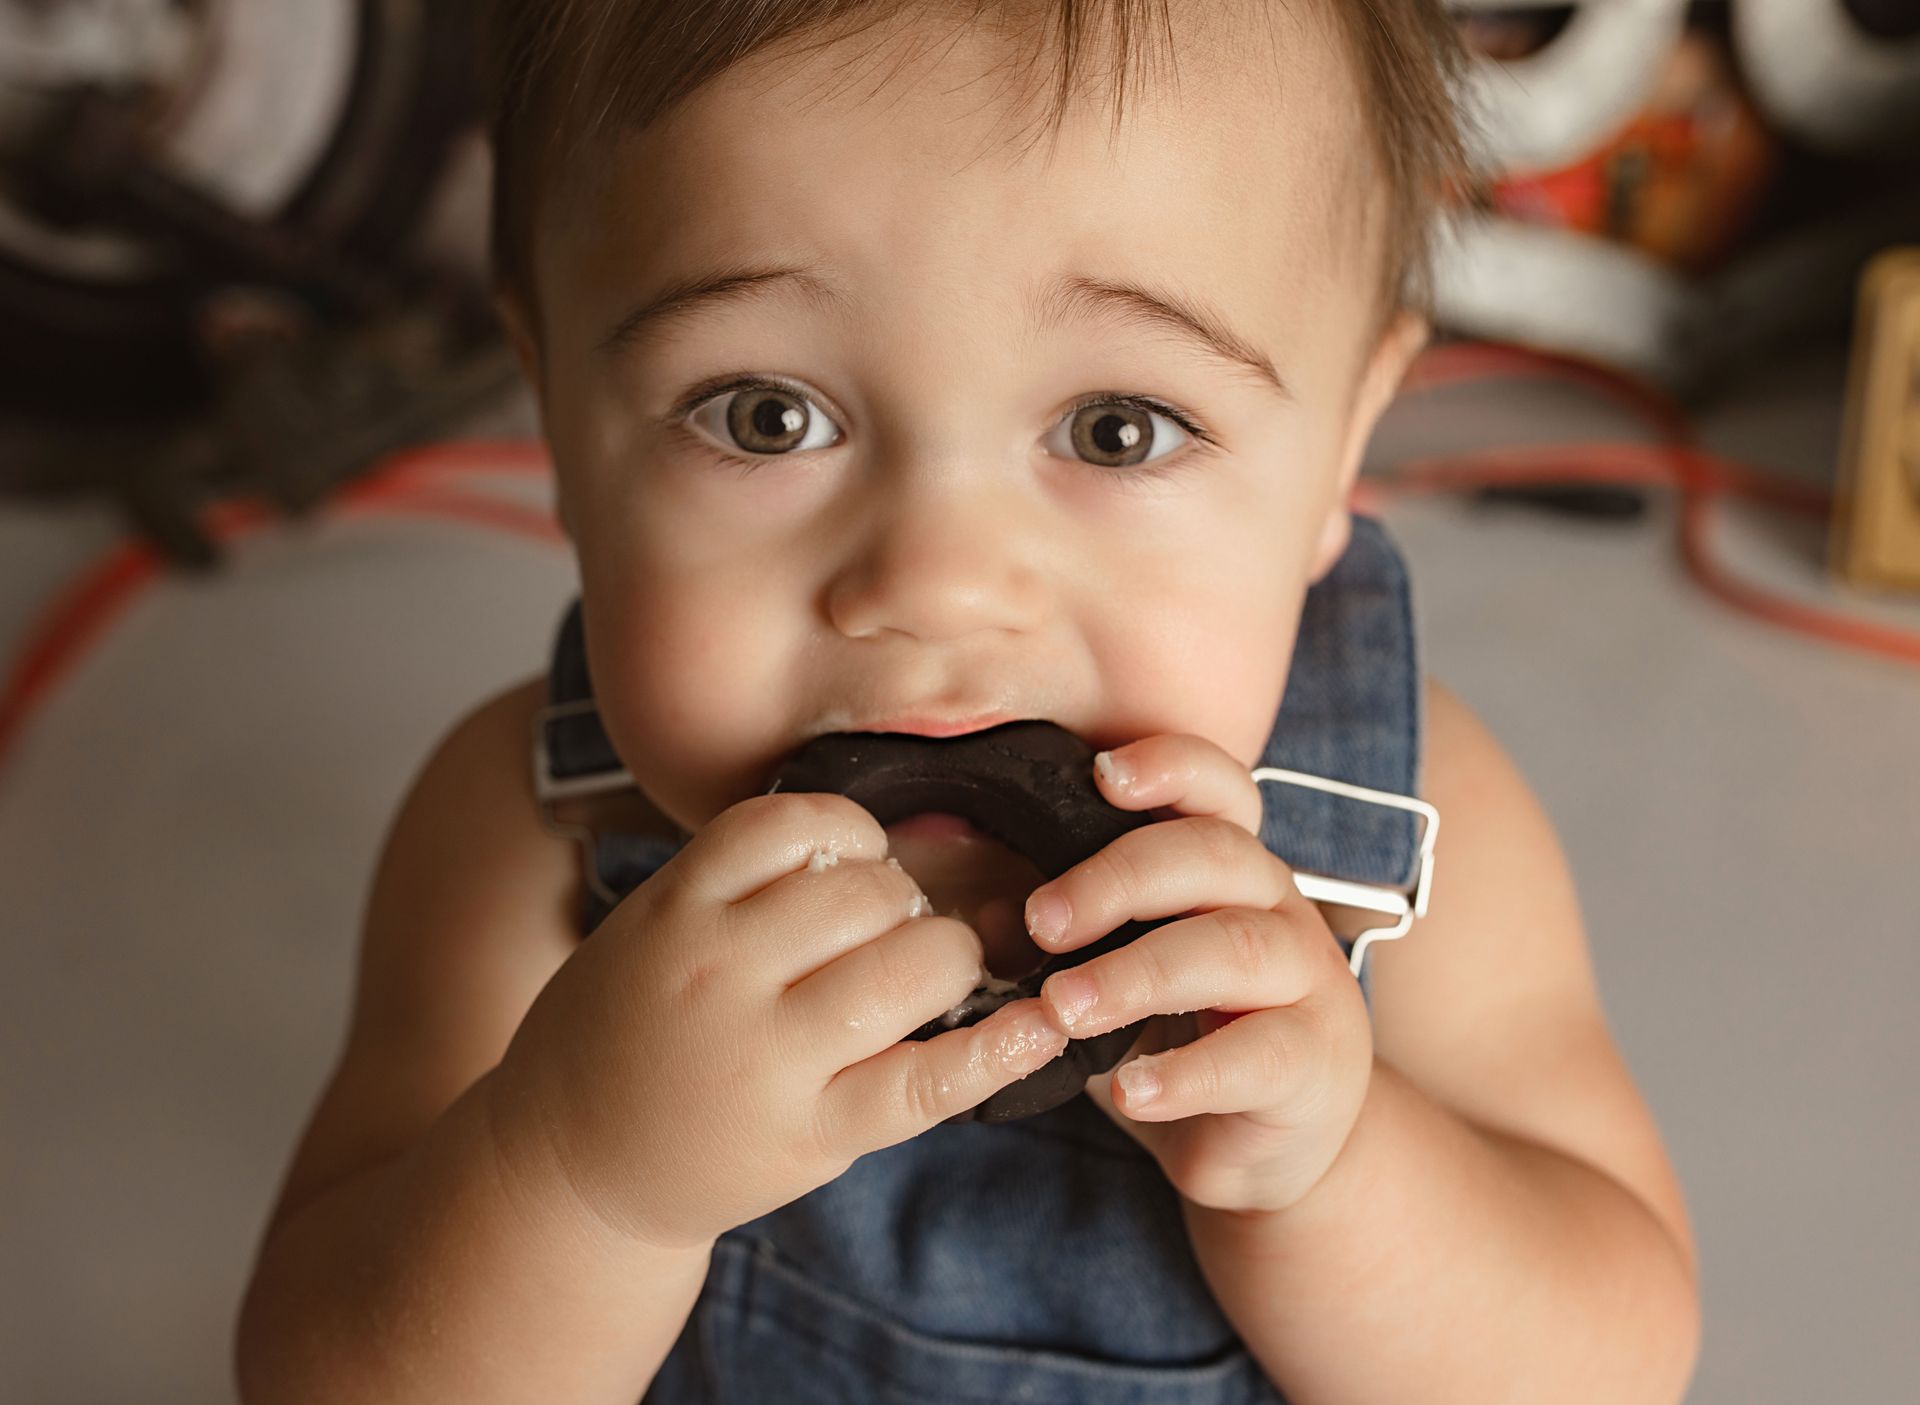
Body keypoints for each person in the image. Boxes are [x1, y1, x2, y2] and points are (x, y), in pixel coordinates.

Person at [235, 2, 1701, 1400]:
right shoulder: (531, 839)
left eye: (1116, 428)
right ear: (556, 405)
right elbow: (318, 1371)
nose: (937, 584)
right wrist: (578, 1179)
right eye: (766, 413)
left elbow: (1613, 1360)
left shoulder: (1398, 848)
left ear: (1340, 446)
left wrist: (1339, 1172)